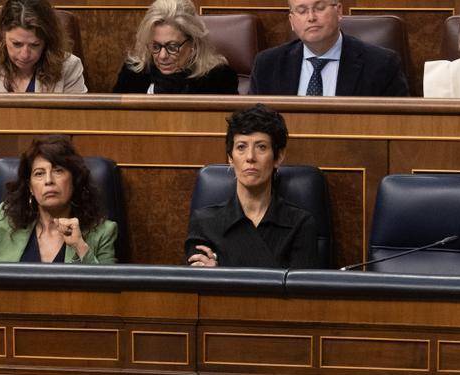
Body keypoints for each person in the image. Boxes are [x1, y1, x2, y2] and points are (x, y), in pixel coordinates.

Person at [185, 105, 320, 269]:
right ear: (230, 158)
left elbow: (301, 291)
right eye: (241, 147)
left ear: (278, 157)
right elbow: (197, 288)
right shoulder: (204, 222)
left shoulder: (300, 223)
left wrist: (222, 270)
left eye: (261, 147)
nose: (250, 157)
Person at [0, 136, 116, 262]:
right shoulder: (7, 221)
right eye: (39, 173)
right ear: (30, 187)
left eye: (58, 171)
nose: (48, 180)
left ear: (74, 180)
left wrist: (80, 247)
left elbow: (108, 289)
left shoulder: (102, 232)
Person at [247, 0, 407, 96]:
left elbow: (398, 125)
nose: (311, 17)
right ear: (291, 21)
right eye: (302, 11)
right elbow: (250, 126)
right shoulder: (267, 65)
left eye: (319, 8)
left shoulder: (382, 65)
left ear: (338, 11)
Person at [0, 0, 86, 93]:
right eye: (16, 44)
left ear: (48, 40)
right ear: (2, 34)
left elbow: (77, 122)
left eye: (35, 45)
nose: (25, 54)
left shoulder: (69, 66)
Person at [113, 0, 238, 95]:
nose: (162, 56)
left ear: (193, 43)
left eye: (172, 47)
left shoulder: (218, 78)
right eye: (155, 46)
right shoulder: (134, 73)